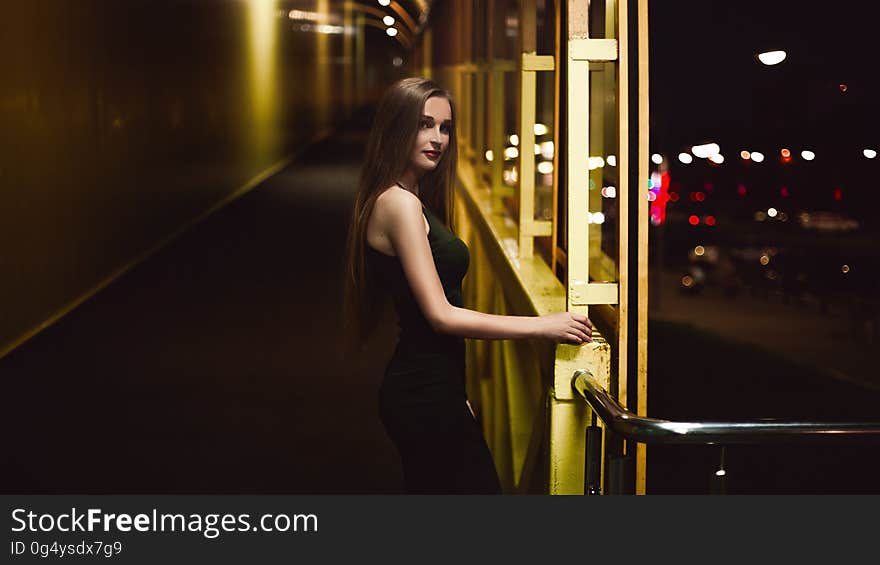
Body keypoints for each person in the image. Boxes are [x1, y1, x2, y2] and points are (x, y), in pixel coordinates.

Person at [343, 77, 592, 494]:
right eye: (424, 124)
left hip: (434, 388)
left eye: (445, 128)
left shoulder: (409, 196)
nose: (437, 138)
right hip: (421, 392)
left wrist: (455, 393)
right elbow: (440, 316)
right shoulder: (399, 204)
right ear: (396, 128)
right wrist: (542, 325)